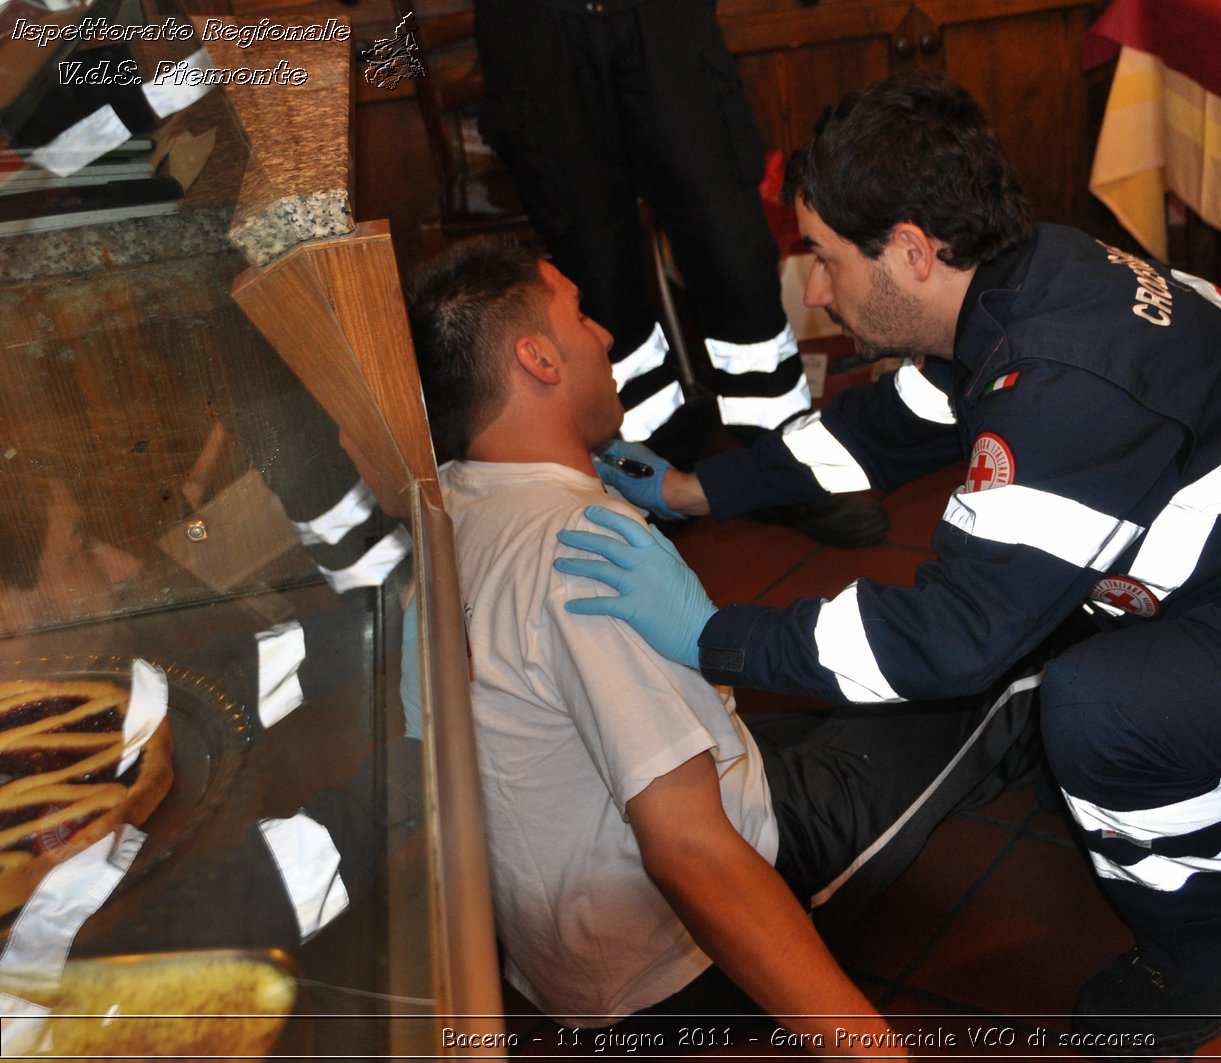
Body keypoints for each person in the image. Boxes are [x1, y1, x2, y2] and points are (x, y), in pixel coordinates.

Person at [555, 71, 1221, 1056]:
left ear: (913, 248)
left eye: (825, 257)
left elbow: (944, 640)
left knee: (1100, 713)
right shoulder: (1028, 275)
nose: (817, 293)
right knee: (1095, 676)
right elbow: (903, 417)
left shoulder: (1063, 386)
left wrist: (710, 635)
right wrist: (704, 491)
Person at [401, 235, 1041, 1048]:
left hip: (561, 953)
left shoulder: (447, 505)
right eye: (581, 314)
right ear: (538, 359)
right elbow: (689, 854)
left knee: (841, 709)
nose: (602, 335)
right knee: (997, 667)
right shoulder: (583, 550)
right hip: (673, 969)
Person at [472, 0, 887, 547]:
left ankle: (782, 461)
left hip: (662, 18)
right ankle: (649, 467)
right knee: (594, 272)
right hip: (537, 27)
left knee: (732, 245)